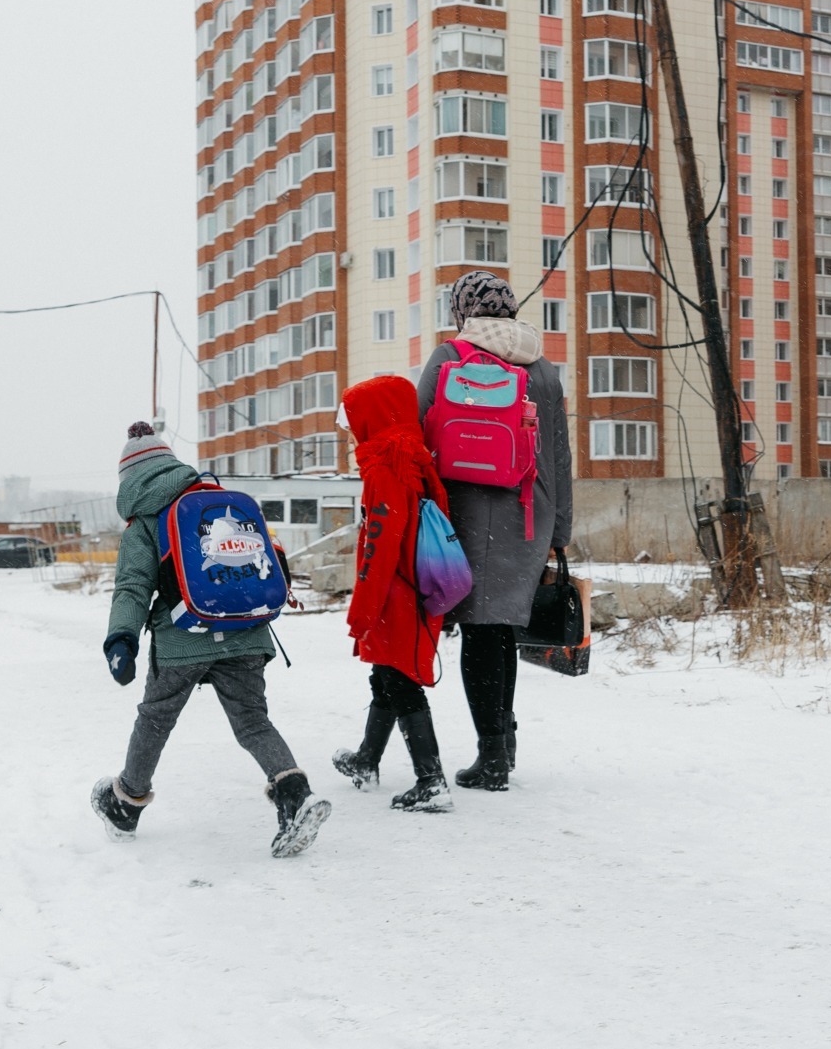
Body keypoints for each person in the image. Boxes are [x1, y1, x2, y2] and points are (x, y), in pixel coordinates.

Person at [89, 422, 330, 857]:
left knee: (156, 718)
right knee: (254, 722)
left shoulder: (145, 519)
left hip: (185, 636)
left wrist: (121, 639)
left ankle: (126, 804)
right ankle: (295, 793)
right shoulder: (216, 501)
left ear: (129, 479)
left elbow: (132, 587)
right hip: (246, 628)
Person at [417, 271, 573, 791]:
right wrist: (561, 531)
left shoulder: (449, 358)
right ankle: (502, 744)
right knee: (500, 629)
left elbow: (419, 435)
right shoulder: (544, 370)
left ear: (464, 312)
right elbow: (559, 457)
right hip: (530, 513)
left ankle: (492, 759)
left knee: (480, 633)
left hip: (466, 510)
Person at [330, 374, 454, 812]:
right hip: (415, 586)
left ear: (374, 418)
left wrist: (362, 609)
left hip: (395, 592)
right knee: (386, 675)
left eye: (354, 424)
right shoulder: (415, 459)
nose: (351, 436)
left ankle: (432, 781)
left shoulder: (385, 467)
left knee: (399, 682)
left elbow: (380, 547)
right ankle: (367, 760)